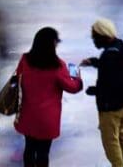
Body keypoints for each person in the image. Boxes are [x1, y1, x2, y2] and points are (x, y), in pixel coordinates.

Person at [14, 27, 83, 167]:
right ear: (52, 43)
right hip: (47, 119)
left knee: (29, 148)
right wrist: (76, 75)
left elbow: (17, 78)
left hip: (27, 114)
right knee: (43, 153)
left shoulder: (25, 59)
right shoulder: (57, 66)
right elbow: (72, 87)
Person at [81, 18, 123, 167]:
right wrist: (94, 62)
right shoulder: (120, 46)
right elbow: (116, 69)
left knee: (110, 140)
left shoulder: (108, 56)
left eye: (94, 36)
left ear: (102, 35)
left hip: (110, 106)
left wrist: (94, 90)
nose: (93, 40)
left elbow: (110, 82)